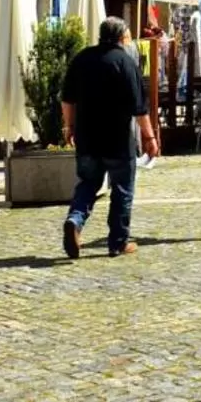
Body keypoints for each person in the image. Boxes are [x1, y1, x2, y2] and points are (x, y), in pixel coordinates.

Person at [59, 16, 158, 259]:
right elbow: (139, 108)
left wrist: (68, 127)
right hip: (118, 140)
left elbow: (67, 98)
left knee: (88, 183)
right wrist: (149, 137)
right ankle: (118, 242)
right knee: (122, 189)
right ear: (122, 37)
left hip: (87, 136)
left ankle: (75, 219)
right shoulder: (126, 62)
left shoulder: (82, 58)